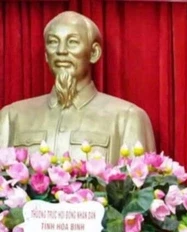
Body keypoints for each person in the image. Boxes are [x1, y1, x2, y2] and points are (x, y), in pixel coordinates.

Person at [0, 11, 156, 164]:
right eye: (53, 42)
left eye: (72, 42)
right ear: (46, 54)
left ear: (94, 53)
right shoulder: (11, 117)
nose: (61, 51)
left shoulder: (127, 118)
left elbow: (140, 179)